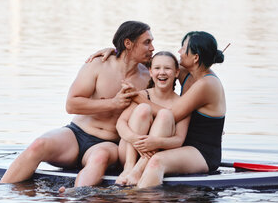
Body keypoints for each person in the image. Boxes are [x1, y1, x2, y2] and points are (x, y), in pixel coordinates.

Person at [0, 21, 154, 188]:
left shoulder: (149, 75)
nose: (152, 47)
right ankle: (1, 193)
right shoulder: (98, 64)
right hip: (77, 133)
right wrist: (113, 103)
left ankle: (74, 195)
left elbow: (176, 66)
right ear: (128, 43)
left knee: (99, 158)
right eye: (147, 42)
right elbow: (71, 105)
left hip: (109, 143)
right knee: (38, 145)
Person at [90, 31, 226, 188]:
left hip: (201, 152)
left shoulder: (207, 84)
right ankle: (133, 174)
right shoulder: (187, 73)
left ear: (195, 57)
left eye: (183, 48)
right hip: (180, 145)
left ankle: (136, 196)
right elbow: (154, 64)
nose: (179, 52)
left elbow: (171, 115)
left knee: (156, 162)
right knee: (150, 124)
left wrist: (137, 96)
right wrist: (116, 53)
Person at [115, 51, 190, 185]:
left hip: (156, 155)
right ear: (150, 71)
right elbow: (120, 123)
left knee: (165, 114)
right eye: (157, 68)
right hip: (129, 152)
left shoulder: (181, 103)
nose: (162, 72)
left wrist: (156, 142)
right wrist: (134, 138)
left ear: (176, 72)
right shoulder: (142, 95)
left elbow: (179, 140)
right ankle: (129, 168)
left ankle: (139, 170)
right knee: (143, 108)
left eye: (167, 68)